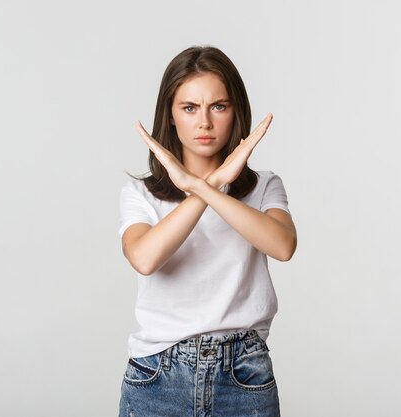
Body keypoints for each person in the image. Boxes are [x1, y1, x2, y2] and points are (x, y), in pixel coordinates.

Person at [118, 45, 297, 417]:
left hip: (244, 374)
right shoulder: (140, 194)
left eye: (218, 106)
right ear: (170, 116)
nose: (204, 122)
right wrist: (209, 186)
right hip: (157, 376)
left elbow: (282, 246)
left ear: (236, 113)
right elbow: (145, 258)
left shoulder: (263, 187)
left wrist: (202, 186)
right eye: (189, 108)